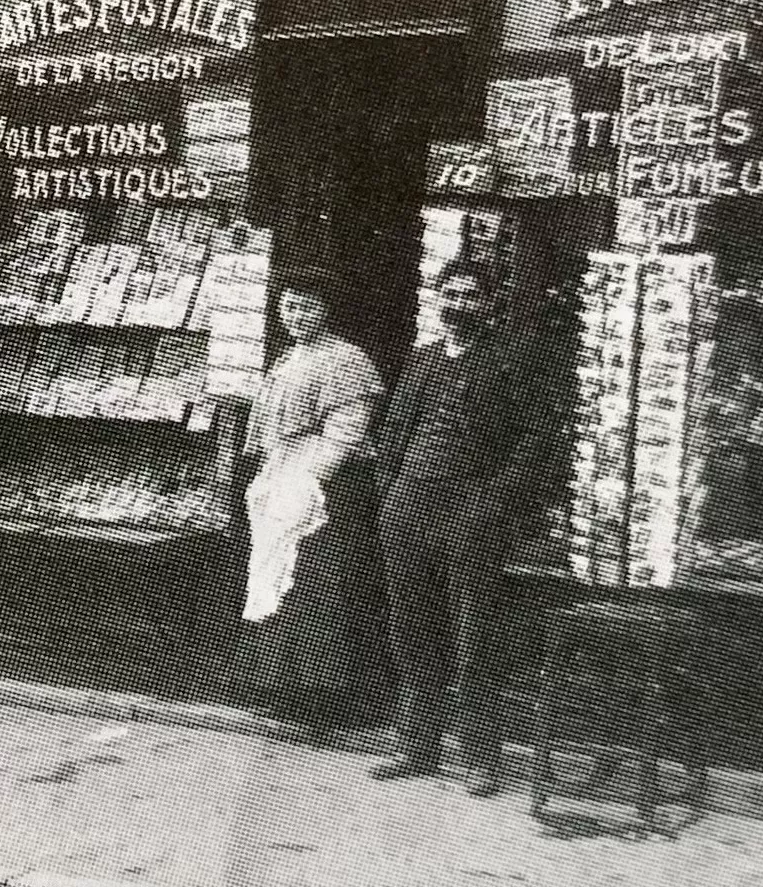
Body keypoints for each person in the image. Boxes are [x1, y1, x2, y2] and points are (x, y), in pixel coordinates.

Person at [369, 259, 556, 796]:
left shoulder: (508, 362)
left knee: (474, 636)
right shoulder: (423, 361)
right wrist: (393, 492)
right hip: (410, 510)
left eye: (471, 296)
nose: (459, 305)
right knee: (412, 629)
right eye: (450, 294)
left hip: (470, 514)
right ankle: (417, 745)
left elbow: (538, 439)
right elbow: (393, 432)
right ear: (436, 298)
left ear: (489, 304)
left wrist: (491, 500)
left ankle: (480, 756)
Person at [238, 272, 387, 729]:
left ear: (326, 310)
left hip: (323, 489)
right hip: (284, 477)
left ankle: (327, 698)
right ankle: (283, 688)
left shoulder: (345, 360)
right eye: (289, 308)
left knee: (317, 589)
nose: (297, 317)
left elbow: (345, 435)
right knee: (278, 580)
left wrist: (303, 479)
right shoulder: (288, 358)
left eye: (308, 307)